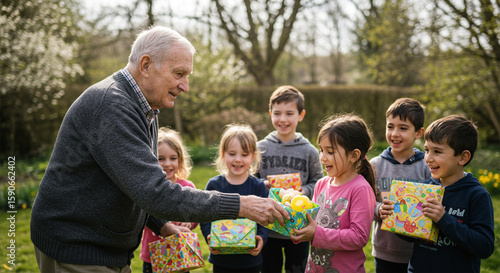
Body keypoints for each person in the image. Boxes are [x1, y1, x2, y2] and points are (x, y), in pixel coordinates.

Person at [30, 26, 289, 272]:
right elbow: (155, 192)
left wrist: (161, 226)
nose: (185, 86)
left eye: (187, 76)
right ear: (146, 65)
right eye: (179, 74)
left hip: (104, 247)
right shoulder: (112, 105)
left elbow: (133, 183)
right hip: (78, 248)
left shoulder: (145, 108)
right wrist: (241, 205)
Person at [379, 115, 495, 273]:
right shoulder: (424, 189)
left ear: (462, 157)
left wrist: (443, 219)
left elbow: (484, 247)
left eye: (437, 152)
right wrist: (396, 217)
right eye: (427, 150)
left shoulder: (476, 195)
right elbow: (413, 235)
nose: (428, 158)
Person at [290, 113, 377, 273]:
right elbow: (313, 222)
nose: (322, 157)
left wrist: (316, 233)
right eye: (321, 150)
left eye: (330, 152)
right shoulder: (321, 184)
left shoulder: (360, 189)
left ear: (354, 155)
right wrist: (297, 227)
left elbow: (359, 237)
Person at [257, 85, 324, 273]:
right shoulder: (260, 148)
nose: (283, 119)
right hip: (268, 226)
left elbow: (319, 183)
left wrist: (305, 191)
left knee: (298, 269)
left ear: (301, 115)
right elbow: (251, 182)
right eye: (277, 113)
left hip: (299, 229)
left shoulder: (310, 151)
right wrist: (262, 185)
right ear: (270, 113)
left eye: (289, 113)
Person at [371, 98, 431, 273]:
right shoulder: (375, 165)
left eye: (403, 128)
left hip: (419, 251)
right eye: (390, 126)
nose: (394, 133)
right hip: (384, 251)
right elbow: (365, 202)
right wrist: (378, 209)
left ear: (419, 133)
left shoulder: (427, 167)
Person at [200, 124, 270, 273]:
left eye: (244, 155)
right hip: (221, 259)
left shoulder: (258, 186)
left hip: (250, 260)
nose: (238, 159)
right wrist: (208, 235)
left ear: (253, 156)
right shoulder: (214, 184)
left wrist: (261, 238)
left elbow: (265, 219)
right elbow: (204, 215)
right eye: (232, 154)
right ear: (223, 154)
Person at [140, 127, 198, 273]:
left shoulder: (187, 186)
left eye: (173, 158)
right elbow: (141, 216)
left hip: (180, 253)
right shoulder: (149, 188)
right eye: (161, 159)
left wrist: (190, 222)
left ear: (180, 159)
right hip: (153, 255)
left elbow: (197, 213)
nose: (167, 164)